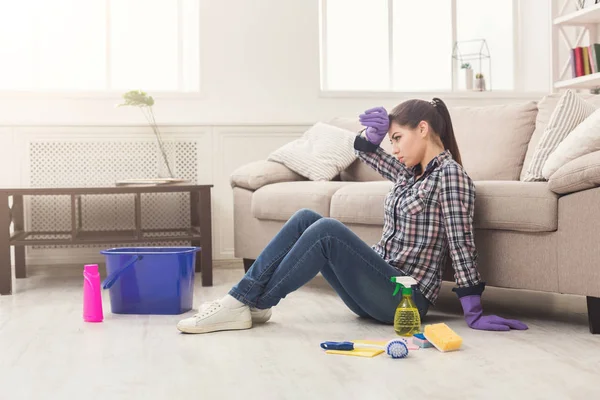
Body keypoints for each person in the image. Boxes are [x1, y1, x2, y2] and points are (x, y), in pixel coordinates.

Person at [177, 97, 528, 334]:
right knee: (305, 218)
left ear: (423, 129)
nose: (393, 147)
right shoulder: (414, 174)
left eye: (397, 138)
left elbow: (461, 240)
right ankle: (247, 302)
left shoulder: (450, 176)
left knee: (327, 231)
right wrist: (369, 137)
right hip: (379, 286)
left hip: (406, 301)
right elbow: (371, 155)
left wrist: (473, 310)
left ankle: (246, 302)